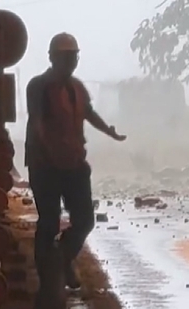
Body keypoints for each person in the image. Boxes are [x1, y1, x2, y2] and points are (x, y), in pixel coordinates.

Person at [25, 32, 126, 291]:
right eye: (65, 57)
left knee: (84, 221)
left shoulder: (77, 88)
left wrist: (109, 132)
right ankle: (48, 276)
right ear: (52, 58)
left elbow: (89, 113)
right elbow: (37, 122)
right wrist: (47, 150)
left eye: (73, 57)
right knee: (49, 220)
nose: (70, 62)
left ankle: (62, 259)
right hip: (45, 165)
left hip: (73, 164)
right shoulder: (38, 86)